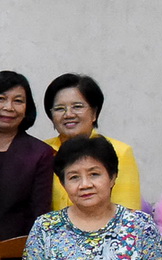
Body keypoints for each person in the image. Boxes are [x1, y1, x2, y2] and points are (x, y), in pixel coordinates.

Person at [20, 136, 162, 260]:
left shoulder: (141, 226)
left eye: (94, 174)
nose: (85, 185)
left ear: (112, 177)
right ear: (63, 183)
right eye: (74, 177)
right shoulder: (45, 227)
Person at [0, 70, 54, 241]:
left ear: (26, 109)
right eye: (0, 99)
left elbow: (40, 215)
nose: (8, 107)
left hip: (17, 254)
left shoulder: (40, 153)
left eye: (18, 101)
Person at [42, 73, 141, 210]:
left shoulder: (120, 152)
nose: (68, 114)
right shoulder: (42, 151)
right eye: (60, 109)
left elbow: (128, 213)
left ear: (94, 113)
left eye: (77, 106)